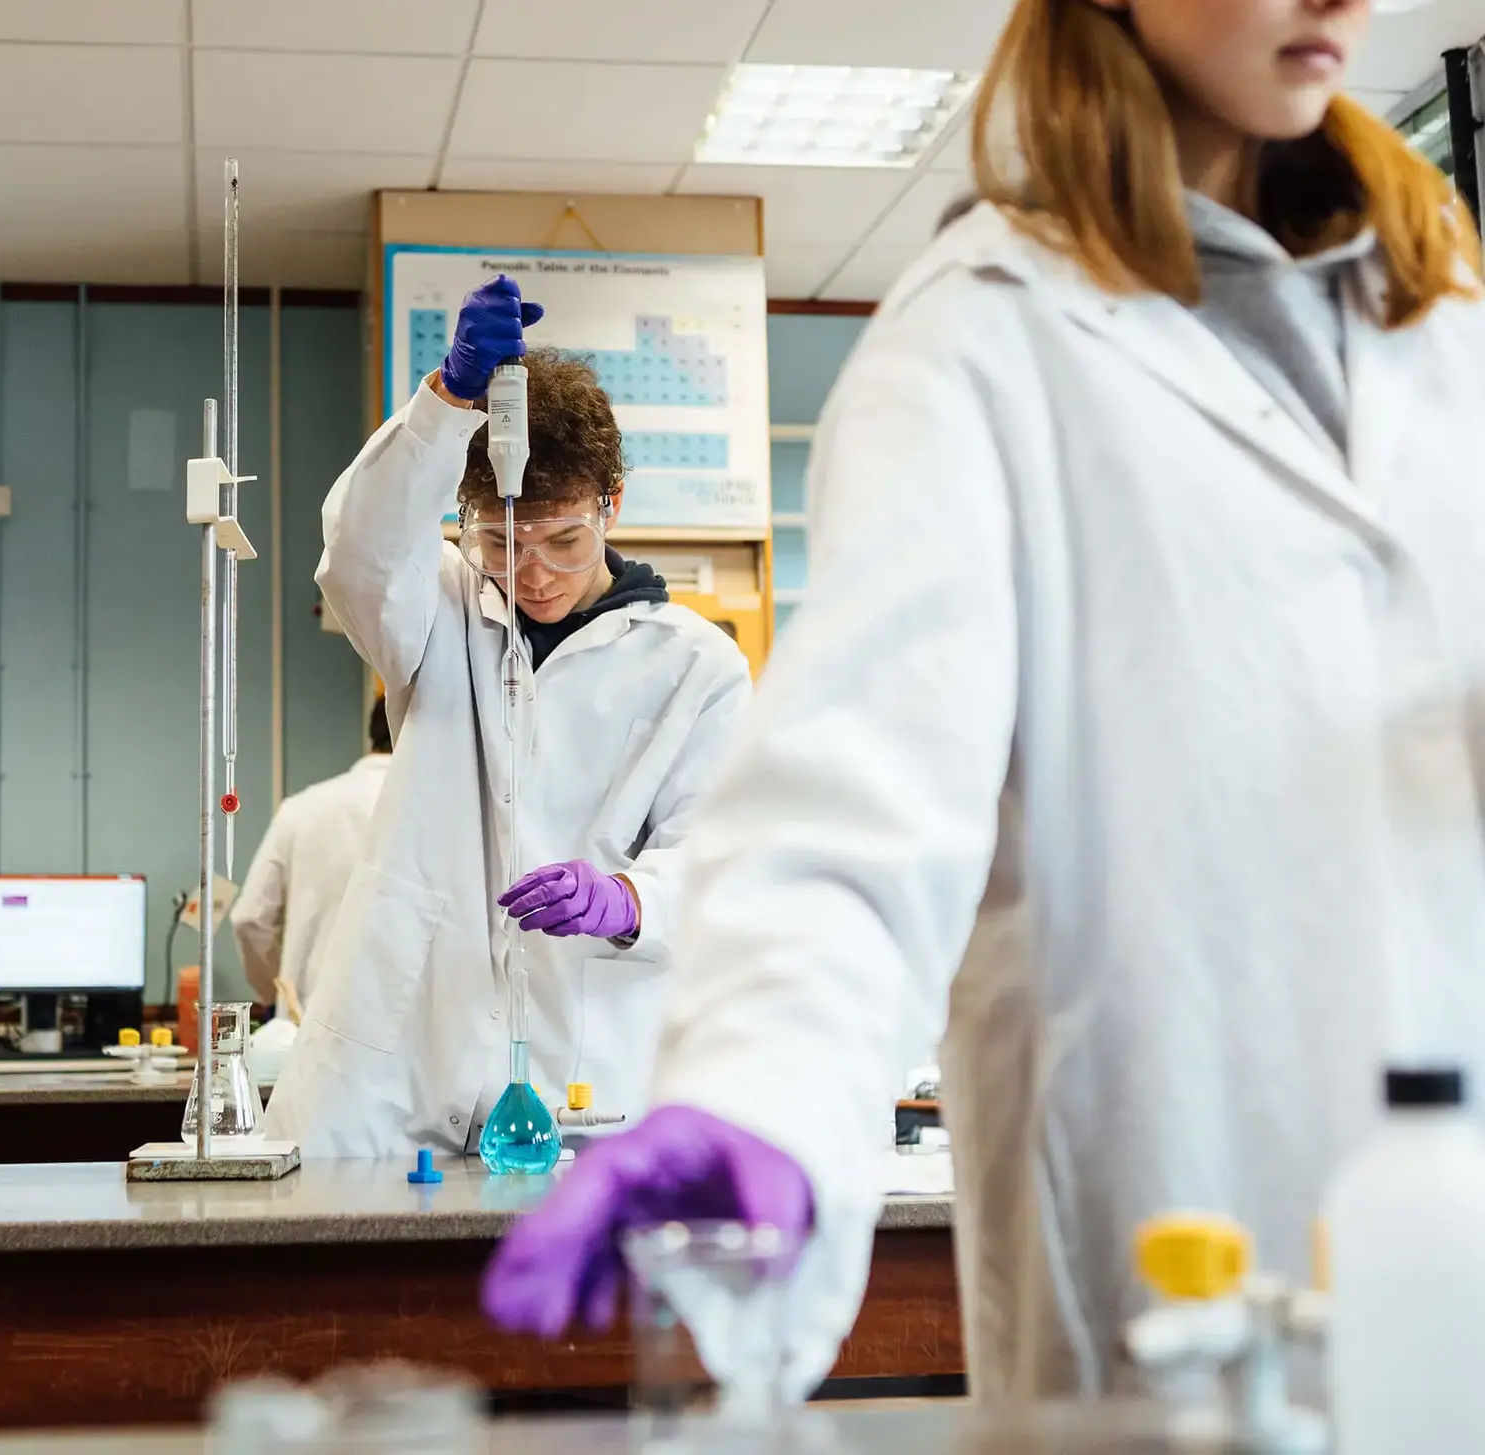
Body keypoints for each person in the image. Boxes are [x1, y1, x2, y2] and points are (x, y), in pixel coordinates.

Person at [485, 0, 1485, 1405]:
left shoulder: (1441, 317)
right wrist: (762, 1097)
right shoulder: (981, 342)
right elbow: (853, 816)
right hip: (1173, 1242)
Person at [266, 279, 752, 1157]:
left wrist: (625, 899)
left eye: (562, 541)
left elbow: (719, 863)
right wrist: (446, 401)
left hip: (588, 1069)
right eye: (500, 542)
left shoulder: (695, 667)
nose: (531, 575)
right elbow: (361, 557)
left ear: (613, 504)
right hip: (401, 1072)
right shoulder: (443, 609)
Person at [230, 698, 395, 1014]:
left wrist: (279, 990)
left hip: (304, 1020)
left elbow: (249, 919)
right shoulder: (446, 814)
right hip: (405, 1031)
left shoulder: (303, 808)